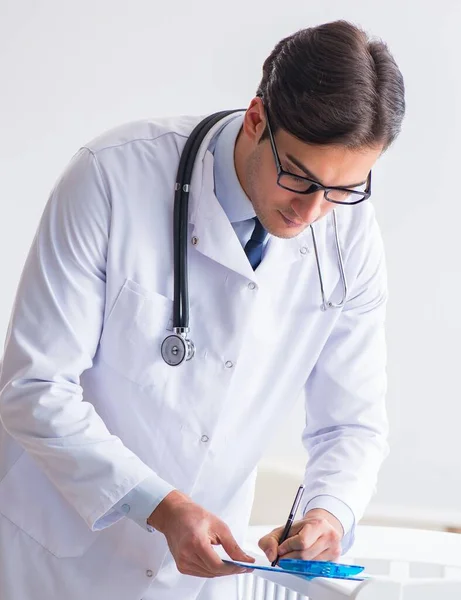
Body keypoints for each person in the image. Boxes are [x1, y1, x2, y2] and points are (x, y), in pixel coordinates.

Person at [0, 19, 405, 600]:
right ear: (257, 119)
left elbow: (352, 423)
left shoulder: (348, 231)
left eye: (344, 188)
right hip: (59, 561)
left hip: (201, 575)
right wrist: (163, 507)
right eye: (298, 176)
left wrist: (328, 514)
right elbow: (34, 385)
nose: (313, 213)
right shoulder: (110, 178)